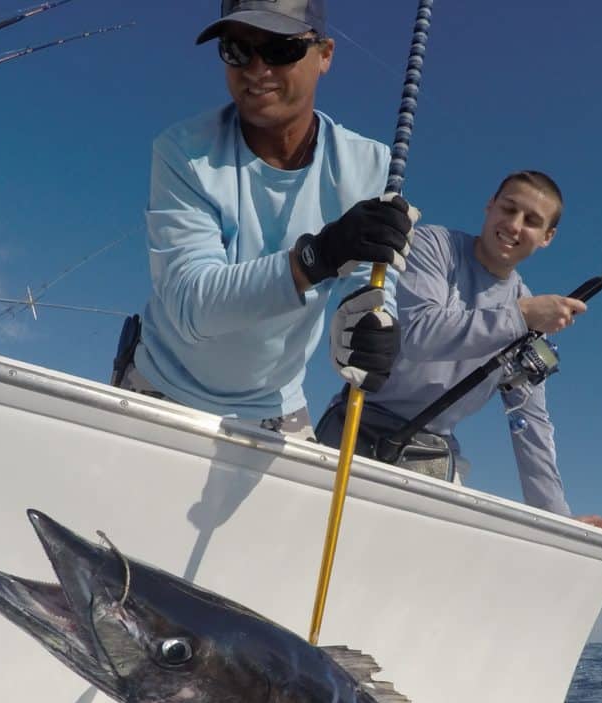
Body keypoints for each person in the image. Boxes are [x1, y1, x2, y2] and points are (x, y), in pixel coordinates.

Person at [116, 0, 417, 440]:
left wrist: (371, 325)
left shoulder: (371, 164)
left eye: (280, 49)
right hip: (159, 386)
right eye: (237, 49)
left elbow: (368, 290)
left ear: (325, 54)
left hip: (277, 408)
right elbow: (189, 304)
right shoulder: (183, 152)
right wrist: (316, 257)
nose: (256, 69)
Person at [317, 170, 602, 534]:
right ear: (489, 205)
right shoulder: (433, 245)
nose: (513, 225)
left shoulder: (529, 313)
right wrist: (520, 316)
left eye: (531, 221)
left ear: (547, 237)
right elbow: (420, 335)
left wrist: (558, 517)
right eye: (508, 209)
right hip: (358, 422)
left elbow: (529, 422)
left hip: (431, 451)